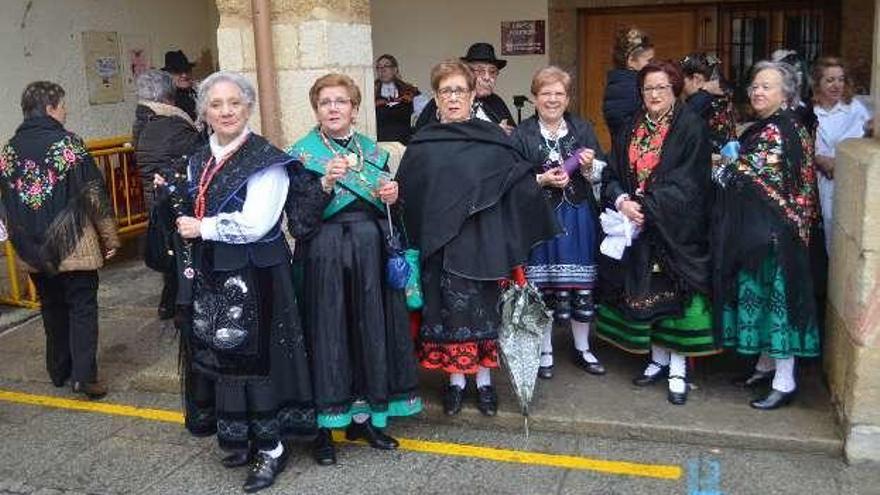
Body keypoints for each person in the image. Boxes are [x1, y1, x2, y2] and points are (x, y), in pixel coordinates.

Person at [168, 71, 314, 492]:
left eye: (235, 102)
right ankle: (242, 435)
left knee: (259, 360)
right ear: (204, 113)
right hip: (216, 271)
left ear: (248, 107)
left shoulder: (265, 159)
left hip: (259, 272)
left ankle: (272, 448)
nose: (226, 111)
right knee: (224, 355)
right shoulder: (199, 158)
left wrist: (202, 228)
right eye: (216, 104)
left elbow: (257, 223)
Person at [398, 60, 559, 417]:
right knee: (446, 313)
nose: (453, 98)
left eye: (460, 90)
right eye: (445, 91)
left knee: (483, 313)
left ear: (472, 95)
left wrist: (540, 183)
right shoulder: (421, 144)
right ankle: (455, 383)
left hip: (481, 240)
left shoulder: (493, 140)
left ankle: (484, 383)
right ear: (436, 98)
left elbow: (514, 182)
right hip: (438, 246)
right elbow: (408, 194)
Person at [286, 73, 422, 466]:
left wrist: (393, 199)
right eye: (325, 102)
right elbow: (299, 225)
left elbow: (394, 217)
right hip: (324, 261)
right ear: (316, 109)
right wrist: (325, 184)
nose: (333, 108)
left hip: (371, 259)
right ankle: (323, 431)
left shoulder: (372, 152)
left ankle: (366, 419)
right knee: (328, 338)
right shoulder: (302, 156)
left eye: (341, 101)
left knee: (369, 334)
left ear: (355, 109)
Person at [596, 60, 715, 406]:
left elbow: (690, 182)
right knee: (652, 294)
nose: (654, 94)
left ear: (675, 89)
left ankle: (678, 368)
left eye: (662, 87)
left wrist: (646, 206)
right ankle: (658, 360)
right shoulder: (632, 125)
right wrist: (621, 201)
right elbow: (613, 170)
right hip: (638, 227)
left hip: (677, 229)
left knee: (676, 299)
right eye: (648, 88)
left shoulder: (691, 127)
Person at [0, 81, 119, 399]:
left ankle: (58, 370)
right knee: (82, 306)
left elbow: (6, 202)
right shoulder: (69, 145)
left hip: (33, 249)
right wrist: (109, 235)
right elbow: (93, 192)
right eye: (63, 105)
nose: (65, 111)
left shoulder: (9, 150)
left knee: (51, 306)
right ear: (50, 108)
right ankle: (84, 377)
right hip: (74, 241)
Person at [715, 61, 821, 411]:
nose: (758, 92)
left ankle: (785, 380)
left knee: (779, 307)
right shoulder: (770, 126)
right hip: (760, 232)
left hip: (777, 235)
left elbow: (748, 176)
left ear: (786, 94)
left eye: (767, 87)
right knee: (761, 300)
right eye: (755, 86)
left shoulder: (784, 130)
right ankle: (765, 365)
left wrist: (725, 162)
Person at [511, 66, 606, 380]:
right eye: (545, 93)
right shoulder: (523, 133)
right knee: (544, 286)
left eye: (559, 94)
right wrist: (540, 179)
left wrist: (591, 167)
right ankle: (546, 349)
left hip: (578, 216)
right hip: (540, 219)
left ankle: (582, 347)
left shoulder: (582, 128)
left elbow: (602, 174)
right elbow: (511, 178)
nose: (552, 99)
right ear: (536, 98)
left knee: (582, 286)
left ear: (567, 98)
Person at [132, 69, 204, 320]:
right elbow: (199, 155)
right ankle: (181, 305)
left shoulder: (143, 120)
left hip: (154, 195)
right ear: (168, 95)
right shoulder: (171, 124)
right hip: (171, 198)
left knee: (169, 248)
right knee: (180, 251)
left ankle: (169, 303)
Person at [810, 56, 871, 253]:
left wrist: (841, 162)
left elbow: (866, 144)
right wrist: (818, 159)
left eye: (841, 79)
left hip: (849, 182)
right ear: (818, 83)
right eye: (830, 80)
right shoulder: (811, 112)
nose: (837, 85)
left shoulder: (855, 109)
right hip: (819, 182)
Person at [414, 43, 515, 133]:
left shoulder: (497, 102)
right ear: (468, 74)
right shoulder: (445, 100)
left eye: (492, 72)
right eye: (480, 71)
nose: (487, 77)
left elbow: (514, 136)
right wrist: (494, 132)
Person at [680, 53, 738, 155]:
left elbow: (679, 124)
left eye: (682, 79)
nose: (680, 84)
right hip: (727, 151)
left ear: (696, 79)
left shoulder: (701, 99)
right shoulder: (720, 93)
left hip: (713, 157)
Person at [603, 27, 654, 141]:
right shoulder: (628, 88)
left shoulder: (626, 84)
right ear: (631, 61)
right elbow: (629, 133)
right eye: (648, 61)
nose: (652, 65)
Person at [374, 54, 420, 143]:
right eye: (379, 67)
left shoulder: (409, 91)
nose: (382, 70)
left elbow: (424, 113)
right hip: (379, 145)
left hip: (405, 144)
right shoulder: (371, 93)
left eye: (386, 66)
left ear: (395, 69)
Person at [161, 50, 198, 121]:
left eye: (187, 70)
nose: (184, 75)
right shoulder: (167, 99)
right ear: (169, 74)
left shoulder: (197, 92)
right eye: (178, 71)